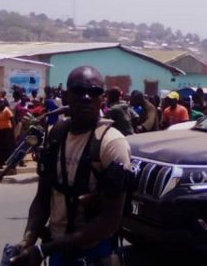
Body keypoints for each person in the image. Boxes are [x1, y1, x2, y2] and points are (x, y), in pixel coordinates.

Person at [10, 66, 131, 266]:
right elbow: (43, 195)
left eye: (94, 92)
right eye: (78, 91)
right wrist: (28, 240)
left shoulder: (111, 143)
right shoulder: (57, 134)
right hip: (57, 252)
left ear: (102, 98)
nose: (86, 97)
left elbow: (110, 220)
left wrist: (44, 250)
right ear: (66, 96)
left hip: (95, 254)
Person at [0, 98, 15, 168]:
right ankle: (1, 162)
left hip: (7, 131)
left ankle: (11, 163)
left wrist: (13, 131)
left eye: (2, 102)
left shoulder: (7, 110)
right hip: (0, 131)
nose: (0, 104)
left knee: (9, 146)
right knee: (1, 147)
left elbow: (12, 120)